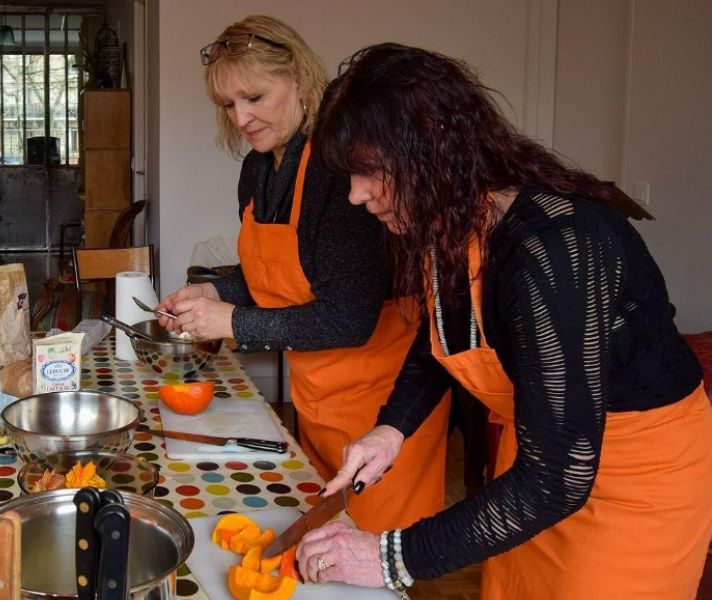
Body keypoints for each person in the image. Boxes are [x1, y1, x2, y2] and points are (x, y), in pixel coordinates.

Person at [299, 42, 712, 599]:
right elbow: (443, 335)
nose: (355, 195)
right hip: (537, 465)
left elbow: (561, 479)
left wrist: (391, 556)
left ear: (433, 152)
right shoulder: (449, 221)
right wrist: (390, 428)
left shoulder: (556, 248)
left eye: (369, 172)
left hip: (635, 485)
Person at [155, 16, 450, 534]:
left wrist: (233, 322)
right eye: (229, 104)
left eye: (255, 97)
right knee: (325, 542)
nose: (242, 116)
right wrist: (214, 290)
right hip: (317, 396)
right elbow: (277, 278)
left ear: (296, 77)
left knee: (376, 557)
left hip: (383, 399)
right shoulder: (258, 169)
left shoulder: (337, 171)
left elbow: (348, 317)